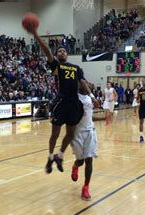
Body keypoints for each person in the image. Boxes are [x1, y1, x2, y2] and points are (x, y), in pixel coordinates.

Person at [29, 25, 96, 174]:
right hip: (61, 101)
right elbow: (46, 50)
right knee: (55, 133)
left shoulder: (76, 67)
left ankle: (60, 155)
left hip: (74, 103)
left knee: (70, 133)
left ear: (67, 54)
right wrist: (36, 35)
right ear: (57, 55)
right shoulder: (57, 66)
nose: (62, 52)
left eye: (64, 51)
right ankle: (50, 157)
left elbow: (83, 83)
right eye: (59, 51)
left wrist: (92, 96)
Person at [70, 87, 106, 200]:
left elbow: (89, 116)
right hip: (77, 132)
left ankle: (86, 187)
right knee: (80, 161)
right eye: (84, 83)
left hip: (90, 131)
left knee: (89, 159)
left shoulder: (90, 98)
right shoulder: (73, 98)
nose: (87, 86)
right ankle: (75, 166)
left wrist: (102, 118)